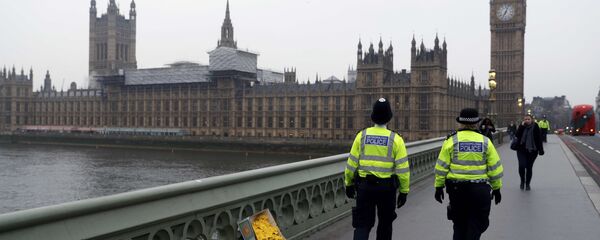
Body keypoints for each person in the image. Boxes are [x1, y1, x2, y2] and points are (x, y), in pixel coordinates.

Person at [344, 98, 410, 240]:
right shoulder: (396, 139)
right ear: (389, 117)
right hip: (387, 189)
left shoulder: (361, 136)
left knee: (362, 224)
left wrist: (348, 183)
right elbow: (403, 170)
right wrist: (404, 191)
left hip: (364, 187)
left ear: (372, 116)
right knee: (385, 225)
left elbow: (351, 165)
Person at [434, 108, 504, 240]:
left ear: (460, 123)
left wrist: (438, 187)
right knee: (477, 224)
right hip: (479, 190)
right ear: (476, 123)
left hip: (457, 190)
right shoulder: (485, 141)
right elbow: (494, 169)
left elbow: (441, 167)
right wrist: (496, 188)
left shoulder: (451, 141)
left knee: (459, 225)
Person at [515, 114, 544, 190]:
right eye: (525, 119)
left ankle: (527, 184)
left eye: (528, 119)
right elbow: (517, 135)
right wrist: (521, 127)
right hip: (521, 150)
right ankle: (522, 181)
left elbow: (538, 139)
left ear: (532, 120)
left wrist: (541, 150)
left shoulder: (535, 126)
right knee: (521, 166)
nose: (527, 121)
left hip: (532, 151)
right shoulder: (522, 126)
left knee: (529, 167)